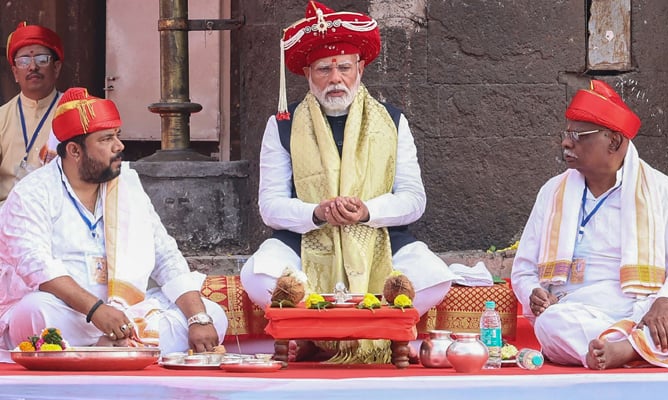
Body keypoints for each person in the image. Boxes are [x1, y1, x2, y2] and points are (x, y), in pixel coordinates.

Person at [240, 0, 456, 359]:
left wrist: (366, 211)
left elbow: (414, 199)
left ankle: (330, 331)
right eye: (324, 69)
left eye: (344, 67)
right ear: (308, 74)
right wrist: (317, 212)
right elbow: (270, 206)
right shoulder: (283, 124)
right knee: (258, 275)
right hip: (304, 238)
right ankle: (321, 334)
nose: (335, 78)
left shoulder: (391, 120)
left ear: (361, 69)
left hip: (379, 237)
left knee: (435, 276)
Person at [0, 88, 228, 362]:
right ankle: (124, 347)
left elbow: (166, 256)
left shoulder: (127, 186)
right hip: (71, 311)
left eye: (117, 135)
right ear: (74, 150)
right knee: (33, 312)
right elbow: (36, 266)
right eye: (107, 139)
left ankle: (106, 347)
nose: (119, 146)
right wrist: (96, 311)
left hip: (125, 311)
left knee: (214, 315)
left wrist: (197, 317)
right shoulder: (32, 192)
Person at [511, 79, 668, 370]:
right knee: (551, 323)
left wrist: (664, 301)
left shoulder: (661, 189)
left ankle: (625, 350)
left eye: (578, 135)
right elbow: (523, 269)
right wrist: (533, 292)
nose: (566, 142)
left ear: (613, 141)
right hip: (579, 311)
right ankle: (652, 349)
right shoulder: (552, 191)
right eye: (566, 133)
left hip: (646, 309)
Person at [0, 22, 64, 206]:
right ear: (15, 73)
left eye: (42, 59)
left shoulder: (74, 112)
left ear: (56, 68)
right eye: (24, 61)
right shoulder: (2, 117)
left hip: (56, 215)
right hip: (6, 216)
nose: (32, 67)